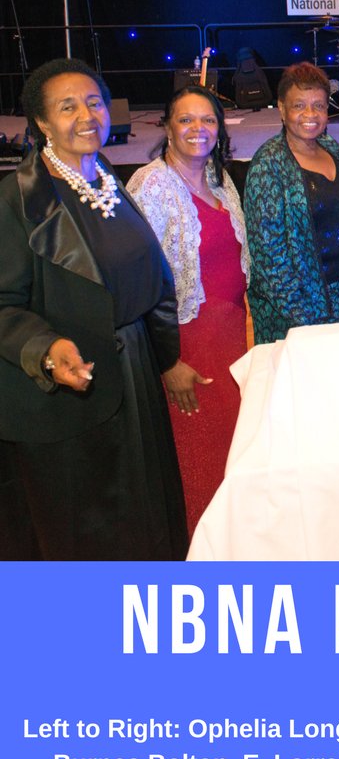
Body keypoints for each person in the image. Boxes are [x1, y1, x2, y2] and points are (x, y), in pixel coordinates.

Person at [0, 58, 199, 559]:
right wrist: (46, 349)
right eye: (67, 107)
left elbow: (148, 279)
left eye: (94, 103)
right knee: (86, 535)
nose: (86, 116)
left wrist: (165, 358)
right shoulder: (16, 200)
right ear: (42, 122)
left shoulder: (106, 177)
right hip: (65, 393)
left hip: (132, 374)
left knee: (144, 523)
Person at [127, 85, 248, 535]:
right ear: (167, 127)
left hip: (230, 338)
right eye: (186, 119)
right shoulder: (152, 185)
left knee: (231, 455)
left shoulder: (220, 180)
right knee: (199, 460)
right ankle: (202, 556)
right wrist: (167, 362)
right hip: (187, 347)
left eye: (208, 119)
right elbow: (136, 283)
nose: (199, 129)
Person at [244, 62, 339, 344]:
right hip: (297, 312)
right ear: (282, 108)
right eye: (299, 105)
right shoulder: (268, 164)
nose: (310, 115)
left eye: (318, 106)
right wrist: (308, 319)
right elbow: (270, 262)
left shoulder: (330, 147)